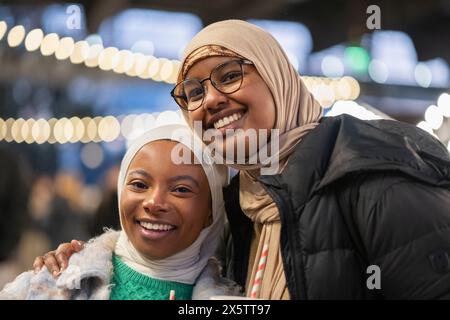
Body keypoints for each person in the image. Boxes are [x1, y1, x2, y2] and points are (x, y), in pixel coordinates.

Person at [33, 20, 450, 299]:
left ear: (277, 77)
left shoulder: (371, 173)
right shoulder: (240, 212)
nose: (211, 99)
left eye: (230, 75)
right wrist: (80, 265)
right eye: (194, 92)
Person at [1, 124, 239, 299]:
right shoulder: (60, 279)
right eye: (139, 184)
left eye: (181, 189)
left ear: (211, 210)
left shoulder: (231, 297)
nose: (154, 202)